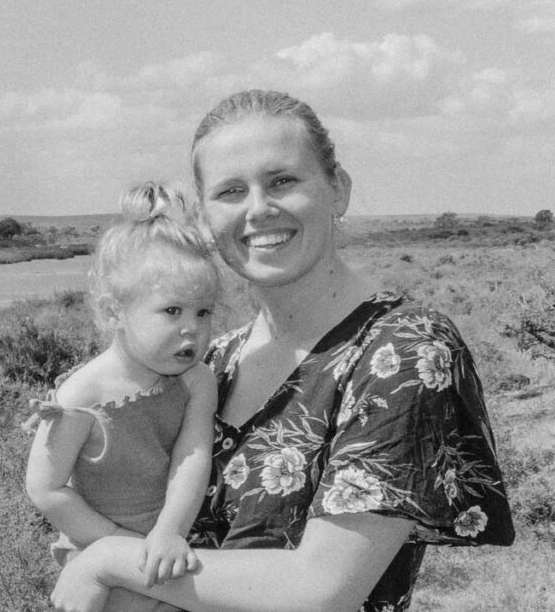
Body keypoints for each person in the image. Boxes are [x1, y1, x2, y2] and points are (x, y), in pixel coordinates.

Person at [50, 89, 515, 612]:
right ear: (205, 219)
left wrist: (109, 559)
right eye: (230, 191)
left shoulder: (402, 350)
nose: (259, 209)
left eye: (283, 181)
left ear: (337, 190)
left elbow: (322, 589)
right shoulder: (211, 360)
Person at [25, 181, 222, 612]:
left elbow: (191, 460)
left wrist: (169, 532)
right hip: (99, 554)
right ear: (115, 311)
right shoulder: (81, 393)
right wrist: (120, 547)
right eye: (172, 311)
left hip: (173, 543)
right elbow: (46, 488)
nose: (192, 328)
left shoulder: (196, 380)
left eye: (203, 312)